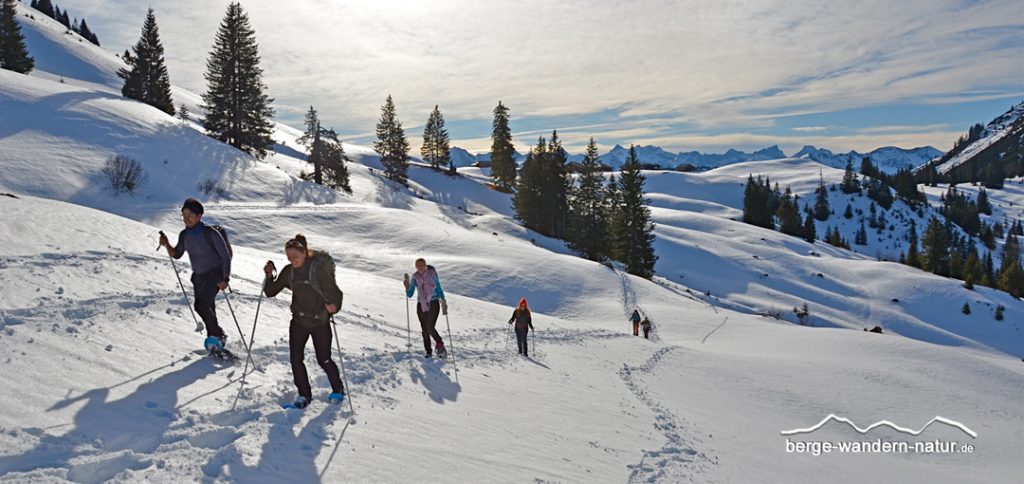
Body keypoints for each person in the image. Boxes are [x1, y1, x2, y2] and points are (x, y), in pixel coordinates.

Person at [263, 234, 345, 408]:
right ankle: (304, 395)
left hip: (319, 321)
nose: (292, 260)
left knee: (324, 359)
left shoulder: (316, 270)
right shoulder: (289, 271)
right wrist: (269, 275)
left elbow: (336, 293)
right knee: (295, 359)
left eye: (295, 256)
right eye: (289, 257)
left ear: (304, 253)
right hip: (299, 320)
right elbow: (270, 292)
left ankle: (338, 389)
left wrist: (334, 307)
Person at [158, 198, 230, 352]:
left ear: (199, 216)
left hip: (215, 275)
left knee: (201, 305)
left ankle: (217, 335)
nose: (186, 219)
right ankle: (216, 339)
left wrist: (225, 278)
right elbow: (176, 254)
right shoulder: (184, 235)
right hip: (198, 277)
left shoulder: (211, 233)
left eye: (190, 215)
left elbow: (225, 257)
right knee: (208, 307)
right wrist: (166, 244)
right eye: (184, 216)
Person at [404, 258, 447, 358]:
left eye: (422, 265)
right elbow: (410, 294)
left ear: (425, 265)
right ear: (416, 266)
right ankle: (428, 351)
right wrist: (407, 287)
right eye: (418, 265)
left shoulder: (432, 274)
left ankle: (440, 344)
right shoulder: (415, 277)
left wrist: (443, 301)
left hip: (433, 302)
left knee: (429, 327)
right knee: (424, 329)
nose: (420, 267)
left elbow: (439, 288)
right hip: (421, 304)